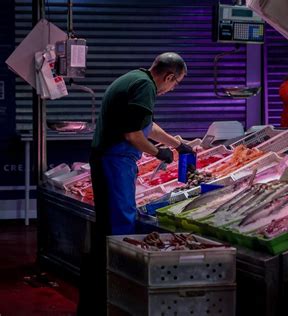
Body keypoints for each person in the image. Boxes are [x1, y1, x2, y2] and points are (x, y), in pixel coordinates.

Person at [77, 52, 194, 315]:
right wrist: (158, 153)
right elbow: (133, 135)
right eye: (176, 84)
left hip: (112, 159)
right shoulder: (145, 87)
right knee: (121, 227)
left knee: (111, 225)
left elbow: (146, 126)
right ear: (169, 76)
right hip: (115, 160)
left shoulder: (135, 77)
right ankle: (115, 295)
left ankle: (100, 298)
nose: (172, 89)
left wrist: (177, 144)